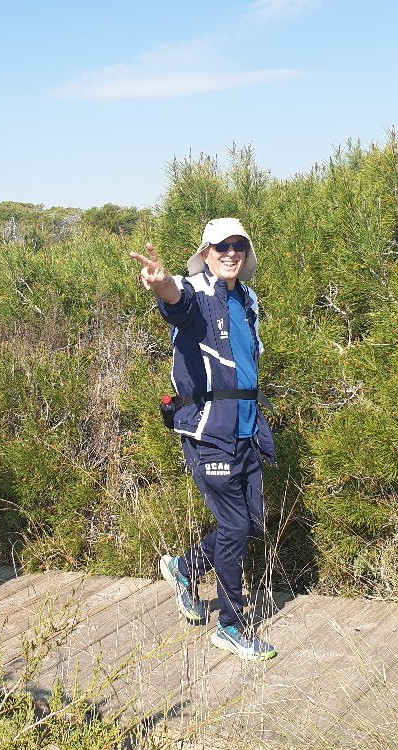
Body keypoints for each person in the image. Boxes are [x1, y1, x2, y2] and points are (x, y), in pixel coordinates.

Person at [129, 217, 278, 661]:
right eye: (221, 247)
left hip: (247, 430)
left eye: (238, 246)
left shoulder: (248, 301)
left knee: (251, 523)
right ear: (206, 253)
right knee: (234, 526)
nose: (231, 253)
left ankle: (184, 567)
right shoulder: (195, 292)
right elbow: (176, 300)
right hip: (209, 431)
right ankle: (231, 626)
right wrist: (160, 284)